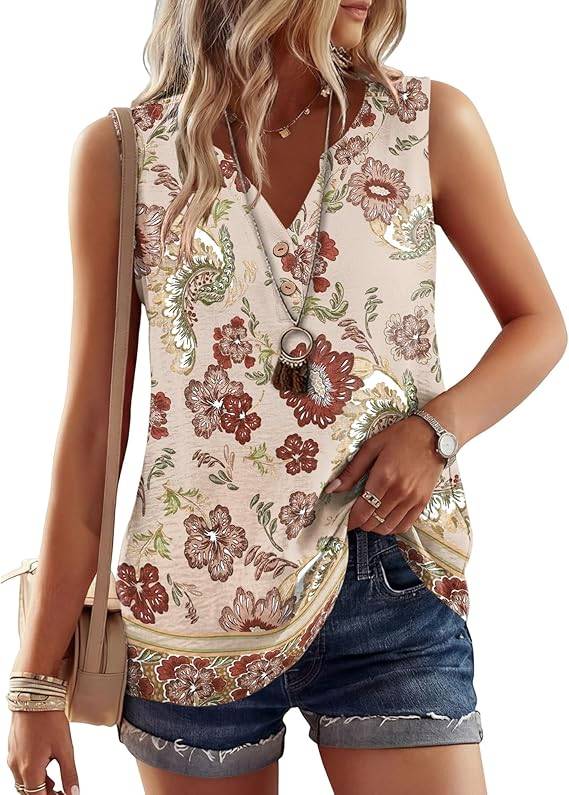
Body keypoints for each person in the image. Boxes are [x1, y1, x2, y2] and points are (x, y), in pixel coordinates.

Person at [6, 1, 567, 794]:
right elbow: (93, 427)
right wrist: (33, 680)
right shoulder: (126, 152)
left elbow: (538, 322)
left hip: (386, 580)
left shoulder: (427, 123)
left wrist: (437, 428)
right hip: (190, 605)